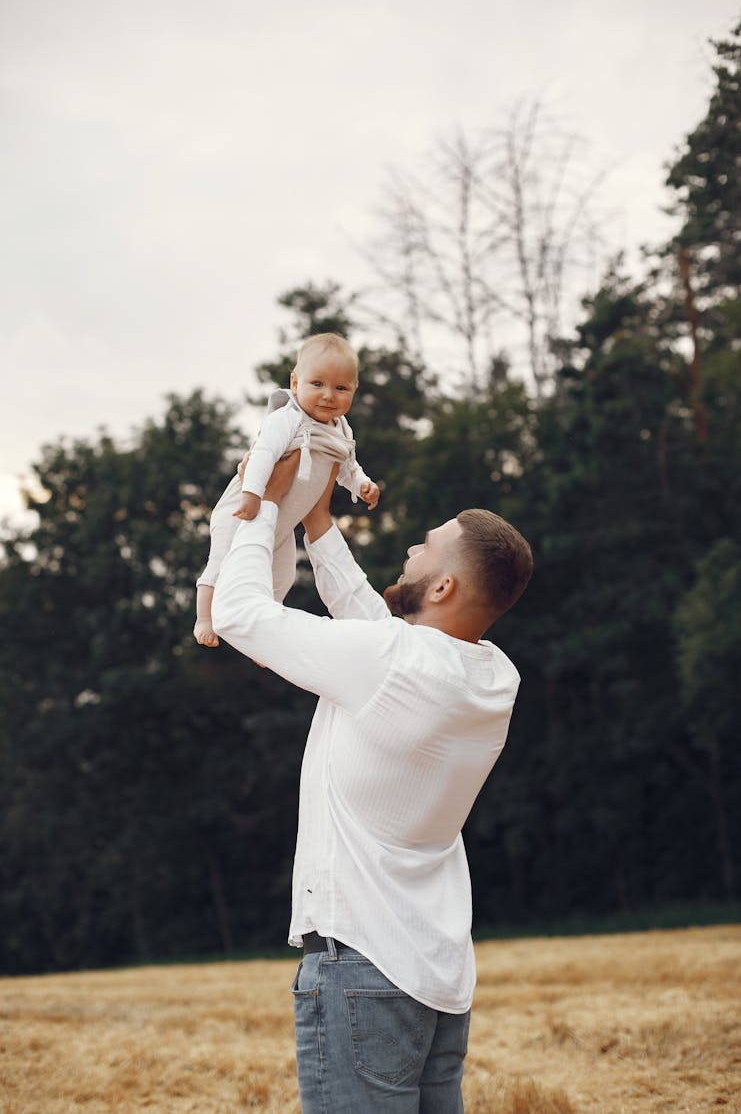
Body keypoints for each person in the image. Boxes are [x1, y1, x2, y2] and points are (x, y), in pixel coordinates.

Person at [212, 452, 533, 1114]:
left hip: (361, 968)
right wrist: (320, 523)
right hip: (436, 977)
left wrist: (263, 504)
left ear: (442, 587)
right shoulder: (493, 677)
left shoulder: (394, 662)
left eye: (427, 545)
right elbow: (379, 630)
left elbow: (240, 613)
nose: (412, 547)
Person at [194, 332, 380, 647]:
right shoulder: (288, 418)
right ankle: (204, 617)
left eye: (340, 388)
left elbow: (348, 466)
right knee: (222, 557)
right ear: (295, 383)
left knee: (282, 578)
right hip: (244, 510)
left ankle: (262, 641)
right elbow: (263, 453)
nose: (328, 396)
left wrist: (362, 484)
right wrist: (252, 495)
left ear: (354, 389)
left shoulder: (342, 429)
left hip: (282, 523)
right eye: (317, 384)